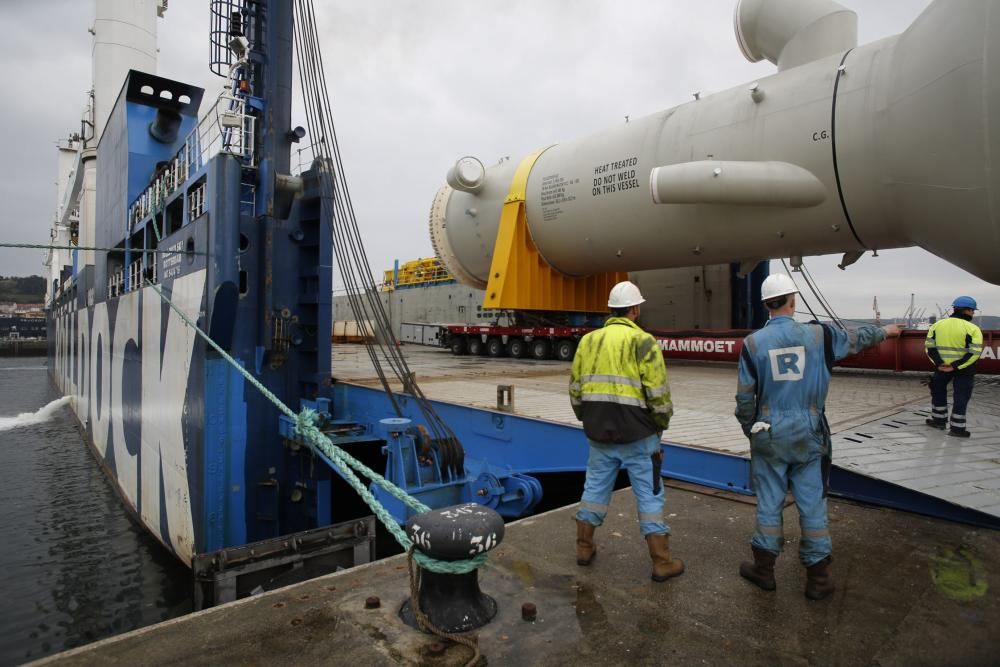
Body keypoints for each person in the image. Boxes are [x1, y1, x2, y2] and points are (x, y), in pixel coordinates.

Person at [734, 274, 901, 600]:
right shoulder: (819, 335)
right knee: (812, 501)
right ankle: (818, 578)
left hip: (769, 432)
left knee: (770, 500)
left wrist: (752, 431)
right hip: (810, 432)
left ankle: (764, 570)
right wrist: (887, 331)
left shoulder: (753, 344)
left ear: (766, 304)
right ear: (792, 301)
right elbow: (857, 338)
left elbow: (744, 400)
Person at [568, 280, 683, 582]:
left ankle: (583, 548)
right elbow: (658, 393)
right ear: (635, 309)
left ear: (611, 309)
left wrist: (586, 418)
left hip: (598, 433)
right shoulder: (643, 341)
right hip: (638, 434)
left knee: (594, 490)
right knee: (649, 494)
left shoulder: (588, 341)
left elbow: (576, 389)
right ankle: (661, 560)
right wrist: (660, 425)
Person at [924, 296, 983, 437]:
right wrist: (955, 366)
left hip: (941, 368)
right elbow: (974, 353)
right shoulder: (973, 329)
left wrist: (939, 364)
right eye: (972, 311)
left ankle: (938, 421)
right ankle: (957, 429)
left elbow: (929, 348)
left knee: (938, 392)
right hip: (964, 369)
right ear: (967, 310)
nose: (973, 313)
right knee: (961, 396)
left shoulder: (937, 325)